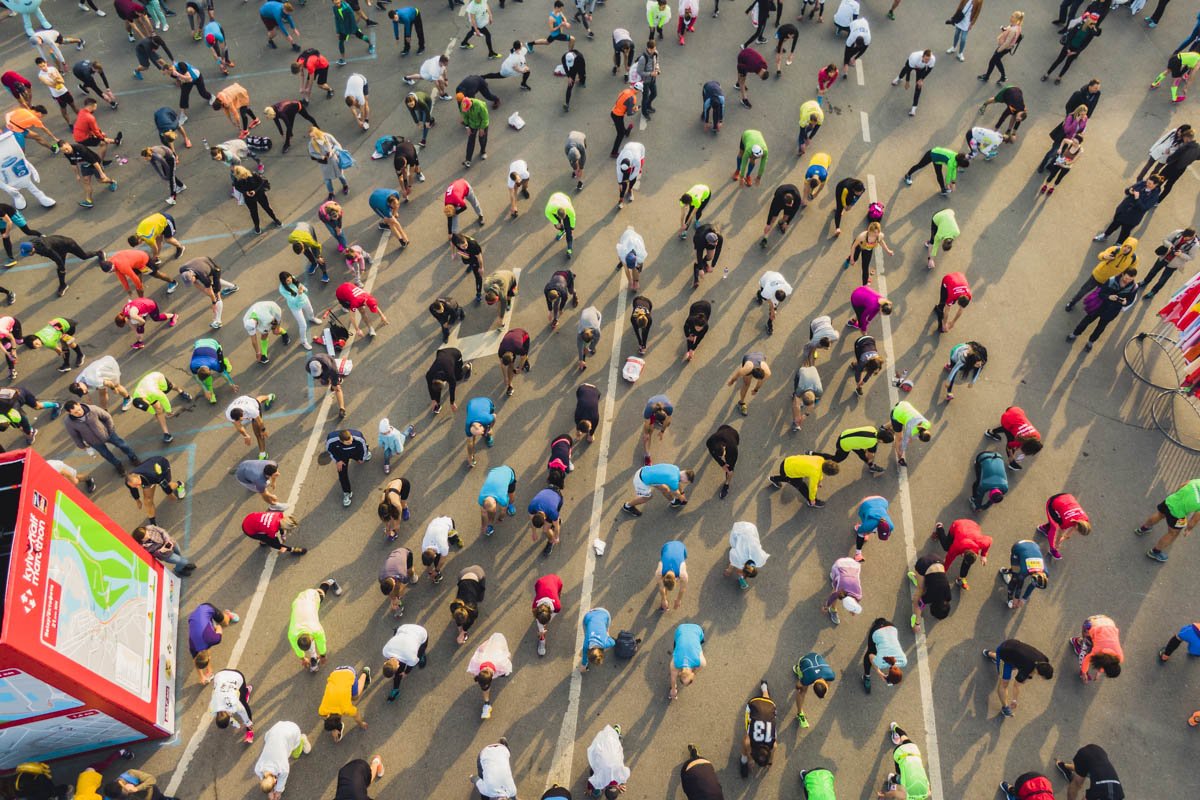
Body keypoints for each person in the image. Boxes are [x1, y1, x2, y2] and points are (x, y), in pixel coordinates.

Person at [1068, 270, 1139, 351]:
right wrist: (1109, 297)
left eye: (1130, 279)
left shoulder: (1134, 288)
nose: (1127, 281)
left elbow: (1131, 300)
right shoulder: (1111, 280)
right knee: (1086, 321)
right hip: (1099, 306)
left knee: (1100, 328)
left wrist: (1125, 302)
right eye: (1126, 278)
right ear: (1123, 274)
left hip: (1112, 311)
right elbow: (1101, 293)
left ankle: (1091, 341)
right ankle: (1075, 333)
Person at [61, 400, 140, 472]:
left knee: (122, 445)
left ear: (79, 404)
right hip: (94, 441)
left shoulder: (93, 409)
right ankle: (117, 465)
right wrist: (82, 446)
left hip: (108, 433)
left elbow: (107, 417)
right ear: (70, 413)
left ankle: (133, 457)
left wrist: (110, 429)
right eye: (75, 412)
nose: (79, 412)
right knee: (106, 454)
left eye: (79, 409)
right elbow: (75, 435)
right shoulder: (69, 422)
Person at [982, 639, 1053, 718]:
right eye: (1042, 677)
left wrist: (1029, 675)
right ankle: (1005, 708)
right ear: (1039, 673)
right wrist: (1014, 700)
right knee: (1004, 684)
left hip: (1012, 644)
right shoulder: (1027, 668)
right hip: (1004, 655)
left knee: (1013, 665)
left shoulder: (1044, 660)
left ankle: (989, 653)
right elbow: (1016, 685)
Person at [1137, 477, 1200, 563]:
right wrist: (1188, 529)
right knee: (1173, 533)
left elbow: (1182, 485)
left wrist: (1179, 497)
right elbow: (1194, 520)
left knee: (1159, 515)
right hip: (1177, 514)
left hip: (1169, 501)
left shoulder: (1197, 482)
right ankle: (1155, 552)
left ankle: (1143, 529)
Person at [1067, 239, 1139, 310]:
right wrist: (1105, 256)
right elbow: (1100, 255)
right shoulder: (1115, 249)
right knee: (1084, 290)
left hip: (1110, 281)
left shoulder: (1133, 259)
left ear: (1132, 250)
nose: (1126, 249)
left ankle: (1090, 307)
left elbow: (1130, 272)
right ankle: (1072, 302)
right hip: (1098, 275)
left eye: (1129, 248)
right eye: (1126, 246)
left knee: (1099, 296)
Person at [124, 455, 186, 525]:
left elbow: (164, 484)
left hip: (162, 466)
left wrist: (170, 494)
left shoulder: (152, 475)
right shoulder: (129, 481)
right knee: (147, 500)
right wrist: (137, 500)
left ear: (137, 476)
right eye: (135, 485)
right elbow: (133, 489)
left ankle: (179, 484)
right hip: (147, 477)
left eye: (138, 484)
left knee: (170, 485)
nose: (138, 487)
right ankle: (153, 525)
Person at [131, 371, 189, 443]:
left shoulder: (154, 392)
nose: (148, 405)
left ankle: (180, 391)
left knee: (170, 387)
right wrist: (156, 412)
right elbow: (148, 408)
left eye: (146, 404)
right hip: (147, 392)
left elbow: (163, 398)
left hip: (158, 378)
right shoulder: (137, 399)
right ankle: (166, 433)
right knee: (158, 409)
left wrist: (169, 410)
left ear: (144, 399)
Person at [1042, 13, 1100, 85]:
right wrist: (1067, 48)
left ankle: (1059, 77)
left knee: (1067, 64)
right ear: (1088, 19)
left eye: (1094, 22)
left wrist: (1075, 52)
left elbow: (1085, 44)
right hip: (1068, 46)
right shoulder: (1079, 26)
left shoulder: (1091, 33)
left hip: (1075, 50)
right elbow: (1070, 37)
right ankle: (1047, 74)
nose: (1092, 24)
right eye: (1091, 21)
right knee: (1059, 60)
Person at [931, 518, 990, 590]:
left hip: (973, 526)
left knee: (967, 563)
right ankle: (939, 528)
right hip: (957, 525)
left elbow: (989, 540)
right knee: (946, 547)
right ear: (963, 554)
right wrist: (943, 572)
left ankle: (962, 578)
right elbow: (948, 559)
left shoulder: (982, 543)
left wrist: (983, 555)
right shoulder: (957, 546)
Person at [1141, 227, 1197, 300]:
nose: (1183, 238)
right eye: (1183, 236)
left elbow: (1191, 257)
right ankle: (1145, 281)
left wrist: (1181, 254)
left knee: (1163, 279)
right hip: (1164, 256)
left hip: (1174, 264)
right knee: (1153, 270)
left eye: (1186, 238)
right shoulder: (1178, 232)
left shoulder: (1195, 245)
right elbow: (1165, 239)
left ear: (1191, 236)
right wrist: (1170, 245)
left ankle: (1153, 292)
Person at [187, 602, 238, 683]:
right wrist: (202, 677)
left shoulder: (214, 639)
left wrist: (213, 629)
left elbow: (219, 627)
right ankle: (210, 670)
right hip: (194, 616)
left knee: (225, 623)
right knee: (206, 645)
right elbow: (196, 660)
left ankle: (227, 614)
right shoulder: (193, 646)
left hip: (207, 608)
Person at [814, 425, 894, 475]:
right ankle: (813, 454)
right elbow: (869, 455)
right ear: (882, 440)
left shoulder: (872, 429)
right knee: (837, 459)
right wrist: (870, 459)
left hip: (845, 435)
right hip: (844, 444)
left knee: (861, 453)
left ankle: (871, 467)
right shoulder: (872, 443)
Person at [878, 723, 930, 799]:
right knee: (900, 774)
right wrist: (884, 795)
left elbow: (929, 792)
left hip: (914, 751)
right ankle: (892, 779)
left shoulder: (926, 794)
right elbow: (894, 793)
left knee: (904, 738)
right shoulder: (906, 796)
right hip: (900, 754)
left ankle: (895, 727)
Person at [466, 631, 511, 719]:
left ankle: (486, 704)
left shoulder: (477, 662)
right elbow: (508, 658)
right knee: (504, 673)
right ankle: (486, 705)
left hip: (496, 660)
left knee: (485, 688)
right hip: (497, 658)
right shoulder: (498, 661)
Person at [1053, 745, 1124, 800]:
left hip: (1098, 752)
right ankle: (1065, 768)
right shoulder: (1099, 792)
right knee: (1078, 784)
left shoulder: (1120, 794)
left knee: (1089, 770)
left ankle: (1065, 766)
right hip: (1084, 756)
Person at [621, 463, 692, 516]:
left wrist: (682, 493)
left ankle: (674, 502)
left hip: (644, 471)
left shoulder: (676, 469)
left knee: (665, 489)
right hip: (641, 481)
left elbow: (678, 484)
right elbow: (676, 492)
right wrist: (681, 498)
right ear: (685, 479)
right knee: (647, 497)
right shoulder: (673, 480)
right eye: (686, 482)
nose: (685, 483)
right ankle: (627, 506)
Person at [323, 428, 370, 507]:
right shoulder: (331, 440)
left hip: (355, 452)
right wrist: (338, 460)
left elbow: (363, 447)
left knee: (364, 452)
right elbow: (330, 451)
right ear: (341, 441)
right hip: (342, 456)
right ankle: (347, 492)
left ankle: (363, 457)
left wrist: (362, 458)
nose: (351, 442)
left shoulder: (358, 437)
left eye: (351, 440)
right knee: (342, 474)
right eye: (348, 442)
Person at [768, 454, 839, 507]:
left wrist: (819, 480)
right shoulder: (815, 473)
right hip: (788, 471)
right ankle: (811, 502)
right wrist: (812, 499)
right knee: (801, 486)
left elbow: (820, 471)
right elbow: (812, 488)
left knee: (789, 479)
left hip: (788, 461)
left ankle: (773, 479)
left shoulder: (820, 459)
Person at [739, 681, 775, 777]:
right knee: (746, 738)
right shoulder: (751, 742)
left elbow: (774, 747)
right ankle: (743, 760)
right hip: (753, 704)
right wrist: (749, 760)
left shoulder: (771, 743)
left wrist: (770, 761)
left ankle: (764, 688)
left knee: (767, 706)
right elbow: (745, 743)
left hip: (771, 704)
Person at [381, 623, 427, 700]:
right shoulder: (385, 651)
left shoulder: (411, 657)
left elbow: (410, 665)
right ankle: (395, 689)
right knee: (402, 668)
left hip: (421, 633)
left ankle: (421, 655)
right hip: (403, 629)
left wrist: (406, 673)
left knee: (419, 654)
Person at [1072, 614, 1123, 683]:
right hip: (1091, 623)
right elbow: (1086, 660)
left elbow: (1106, 663)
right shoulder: (1097, 652)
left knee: (1095, 641)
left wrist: (1099, 671)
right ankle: (1077, 642)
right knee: (1086, 645)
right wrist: (1084, 673)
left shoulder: (1120, 657)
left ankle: (1084, 641)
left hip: (1107, 621)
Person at [907, 554, 952, 630]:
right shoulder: (930, 597)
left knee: (928, 583)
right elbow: (919, 605)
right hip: (923, 564)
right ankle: (916, 577)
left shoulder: (948, 596)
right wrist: (917, 623)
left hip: (938, 560)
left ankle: (920, 579)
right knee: (920, 590)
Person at [208, 668, 254, 741]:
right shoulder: (212, 708)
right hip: (220, 674)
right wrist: (235, 723)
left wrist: (248, 723)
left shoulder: (234, 705)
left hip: (237, 676)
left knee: (243, 703)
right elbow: (229, 717)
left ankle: (246, 692)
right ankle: (245, 691)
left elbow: (244, 712)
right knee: (237, 692)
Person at [1000, 538, 1047, 609]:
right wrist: (1015, 599)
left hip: (1033, 544)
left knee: (1018, 571)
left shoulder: (1046, 572)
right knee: (1015, 577)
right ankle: (1009, 599)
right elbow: (1019, 586)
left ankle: (1008, 570)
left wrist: (1024, 599)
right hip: (1018, 547)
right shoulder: (1024, 571)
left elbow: (1033, 585)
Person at [978, 11, 1024, 83]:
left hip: (1003, 48)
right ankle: (1001, 77)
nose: (1011, 17)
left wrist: (999, 50)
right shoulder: (1017, 26)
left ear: (1016, 19)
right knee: (996, 61)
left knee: (993, 61)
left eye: (1013, 17)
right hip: (1006, 48)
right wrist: (1005, 29)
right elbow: (1011, 33)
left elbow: (1007, 43)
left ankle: (989, 77)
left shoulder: (1013, 30)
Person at [793, 652, 835, 728]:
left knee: (804, 684)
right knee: (802, 691)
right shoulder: (807, 679)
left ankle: (802, 670)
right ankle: (800, 714)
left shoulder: (830, 675)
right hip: (803, 660)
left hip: (815, 657)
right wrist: (800, 686)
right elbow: (798, 685)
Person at [190, 337, 237, 405]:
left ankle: (226, 361)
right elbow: (197, 378)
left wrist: (231, 383)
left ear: (210, 371)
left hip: (214, 343)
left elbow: (223, 373)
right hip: (199, 343)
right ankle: (210, 393)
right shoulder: (193, 365)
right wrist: (205, 390)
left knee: (222, 366)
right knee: (212, 374)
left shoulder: (214, 364)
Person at [226, 394, 275, 459]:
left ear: (243, 413)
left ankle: (262, 454)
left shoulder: (252, 410)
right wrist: (245, 435)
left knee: (258, 433)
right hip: (241, 401)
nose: (240, 421)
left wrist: (263, 430)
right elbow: (238, 426)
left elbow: (260, 421)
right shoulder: (229, 414)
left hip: (249, 401)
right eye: (238, 420)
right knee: (241, 422)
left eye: (240, 419)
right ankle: (269, 397)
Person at [903, 147, 969, 195]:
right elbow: (948, 174)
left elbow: (954, 170)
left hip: (938, 160)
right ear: (960, 163)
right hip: (932, 154)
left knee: (939, 173)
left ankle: (943, 190)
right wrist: (948, 184)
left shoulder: (957, 157)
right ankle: (907, 175)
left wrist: (953, 182)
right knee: (920, 165)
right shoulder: (951, 163)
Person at [846, 221, 894, 286]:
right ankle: (848, 260)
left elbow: (881, 242)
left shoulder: (879, 236)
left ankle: (864, 286)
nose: (876, 234)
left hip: (868, 250)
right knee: (855, 258)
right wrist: (851, 259)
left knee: (865, 267)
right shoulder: (862, 236)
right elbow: (854, 246)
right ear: (870, 231)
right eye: (874, 232)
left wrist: (888, 251)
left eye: (878, 232)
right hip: (859, 247)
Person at [725, 521, 768, 591]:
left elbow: (745, 570)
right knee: (734, 545)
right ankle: (734, 545)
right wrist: (729, 570)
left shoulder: (756, 561)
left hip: (751, 530)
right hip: (741, 531)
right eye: (743, 574)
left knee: (739, 546)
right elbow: (732, 562)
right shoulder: (739, 558)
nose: (740, 574)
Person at [243, 301, 290, 365]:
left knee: (275, 332)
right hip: (261, 309)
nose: (254, 330)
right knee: (264, 333)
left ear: (256, 324)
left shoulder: (266, 318)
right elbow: (253, 340)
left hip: (274, 311)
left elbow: (275, 321)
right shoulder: (246, 321)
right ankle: (264, 354)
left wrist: (276, 328)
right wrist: (257, 353)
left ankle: (284, 333)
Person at [451, 564, 486, 645]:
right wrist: (461, 632)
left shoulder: (473, 611)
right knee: (479, 598)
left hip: (473, 573)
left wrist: (462, 632)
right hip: (468, 574)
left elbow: (466, 625)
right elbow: (461, 624)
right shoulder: (455, 605)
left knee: (480, 598)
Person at [891, 50, 935, 116]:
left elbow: (929, 70)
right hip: (911, 64)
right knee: (905, 69)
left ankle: (914, 108)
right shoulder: (914, 57)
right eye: (926, 59)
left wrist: (921, 79)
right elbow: (908, 70)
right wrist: (907, 81)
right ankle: (899, 78)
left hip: (921, 68)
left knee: (919, 86)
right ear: (922, 56)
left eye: (928, 60)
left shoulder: (932, 59)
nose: (927, 61)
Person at [668, 622, 705, 699]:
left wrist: (673, 689)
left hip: (692, 629)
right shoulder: (675, 663)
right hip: (682, 629)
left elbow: (673, 678)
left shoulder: (701, 662)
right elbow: (673, 678)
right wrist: (673, 689)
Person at [478, 464, 516, 537]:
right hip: (494, 471)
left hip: (508, 472)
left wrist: (500, 519)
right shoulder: (481, 498)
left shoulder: (502, 499)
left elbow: (502, 512)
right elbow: (483, 513)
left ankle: (511, 505)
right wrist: (483, 526)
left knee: (511, 494)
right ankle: (490, 524)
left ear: (496, 502)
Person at [852, 495, 893, 562]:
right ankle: (858, 554)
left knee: (869, 525)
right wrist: (861, 529)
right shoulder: (868, 526)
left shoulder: (890, 526)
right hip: (866, 502)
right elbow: (858, 530)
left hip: (883, 501)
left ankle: (867, 531)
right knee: (862, 530)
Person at [759, 183, 802, 248]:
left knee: (786, 217)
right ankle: (765, 238)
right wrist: (768, 224)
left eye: (791, 204)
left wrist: (787, 223)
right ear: (784, 203)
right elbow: (772, 210)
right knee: (772, 220)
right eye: (788, 205)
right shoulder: (778, 197)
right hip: (779, 202)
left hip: (791, 199)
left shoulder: (797, 199)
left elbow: (794, 211)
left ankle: (781, 222)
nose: (790, 206)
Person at [704, 424, 739, 499]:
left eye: (723, 455)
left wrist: (729, 467)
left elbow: (730, 468)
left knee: (729, 471)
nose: (722, 457)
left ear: (724, 447)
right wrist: (722, 464)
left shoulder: (732, 448)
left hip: (733, 434)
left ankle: (727, 484)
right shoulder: (710, 441)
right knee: (723, 463)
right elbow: (711, 451)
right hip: (722, 428)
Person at [655, 540, 688, 611]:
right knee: (663, 589)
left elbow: (682, 589)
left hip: (680, 547)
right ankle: (663, 604)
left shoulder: (683, 574)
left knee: (683, 564)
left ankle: (663, 605)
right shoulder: (658, 573)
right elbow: (661, 588)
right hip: (666, 546)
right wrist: (664, 599)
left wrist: (678, 600)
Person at [546, 192, 577, 258]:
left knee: (569, 230)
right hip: (554, 199)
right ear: (557, 215)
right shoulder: (549, 208)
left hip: (564, 198)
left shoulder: (569, 209)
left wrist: (572, 226)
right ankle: (562, 231)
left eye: (565, 216)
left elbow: (573, 216)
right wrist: (556, 222)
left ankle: (569, 249)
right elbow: (547, 214)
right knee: (557, 225)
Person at [576, 305, 602, 370]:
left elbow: (596, 340)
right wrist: (580, 359)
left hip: (596, 313)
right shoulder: (580, 332)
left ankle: (591, 348)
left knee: (594, 341)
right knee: (582, 345)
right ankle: (584, 355)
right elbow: (579, 347)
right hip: (585, 313)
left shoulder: (596, 330)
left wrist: (590, 348)